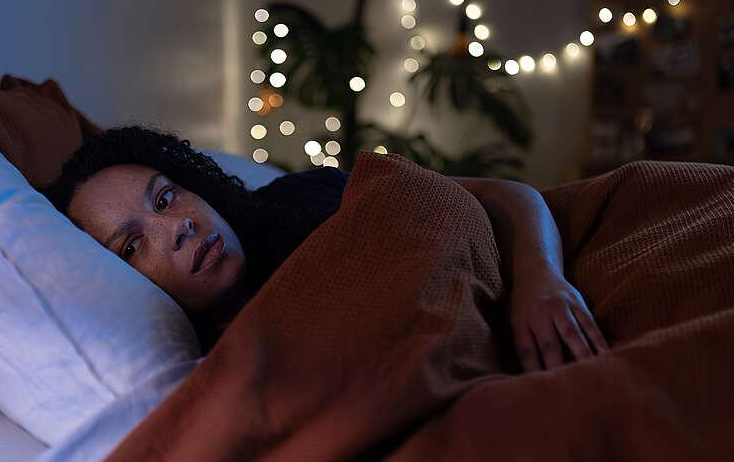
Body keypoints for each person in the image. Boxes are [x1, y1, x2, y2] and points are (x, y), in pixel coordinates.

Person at [42, 126, 609, 370]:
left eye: (166, 199)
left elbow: (501, 195)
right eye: (134, 245)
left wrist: (541, 279)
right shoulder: (224, 358)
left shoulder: (300, 193)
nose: (179, 229)